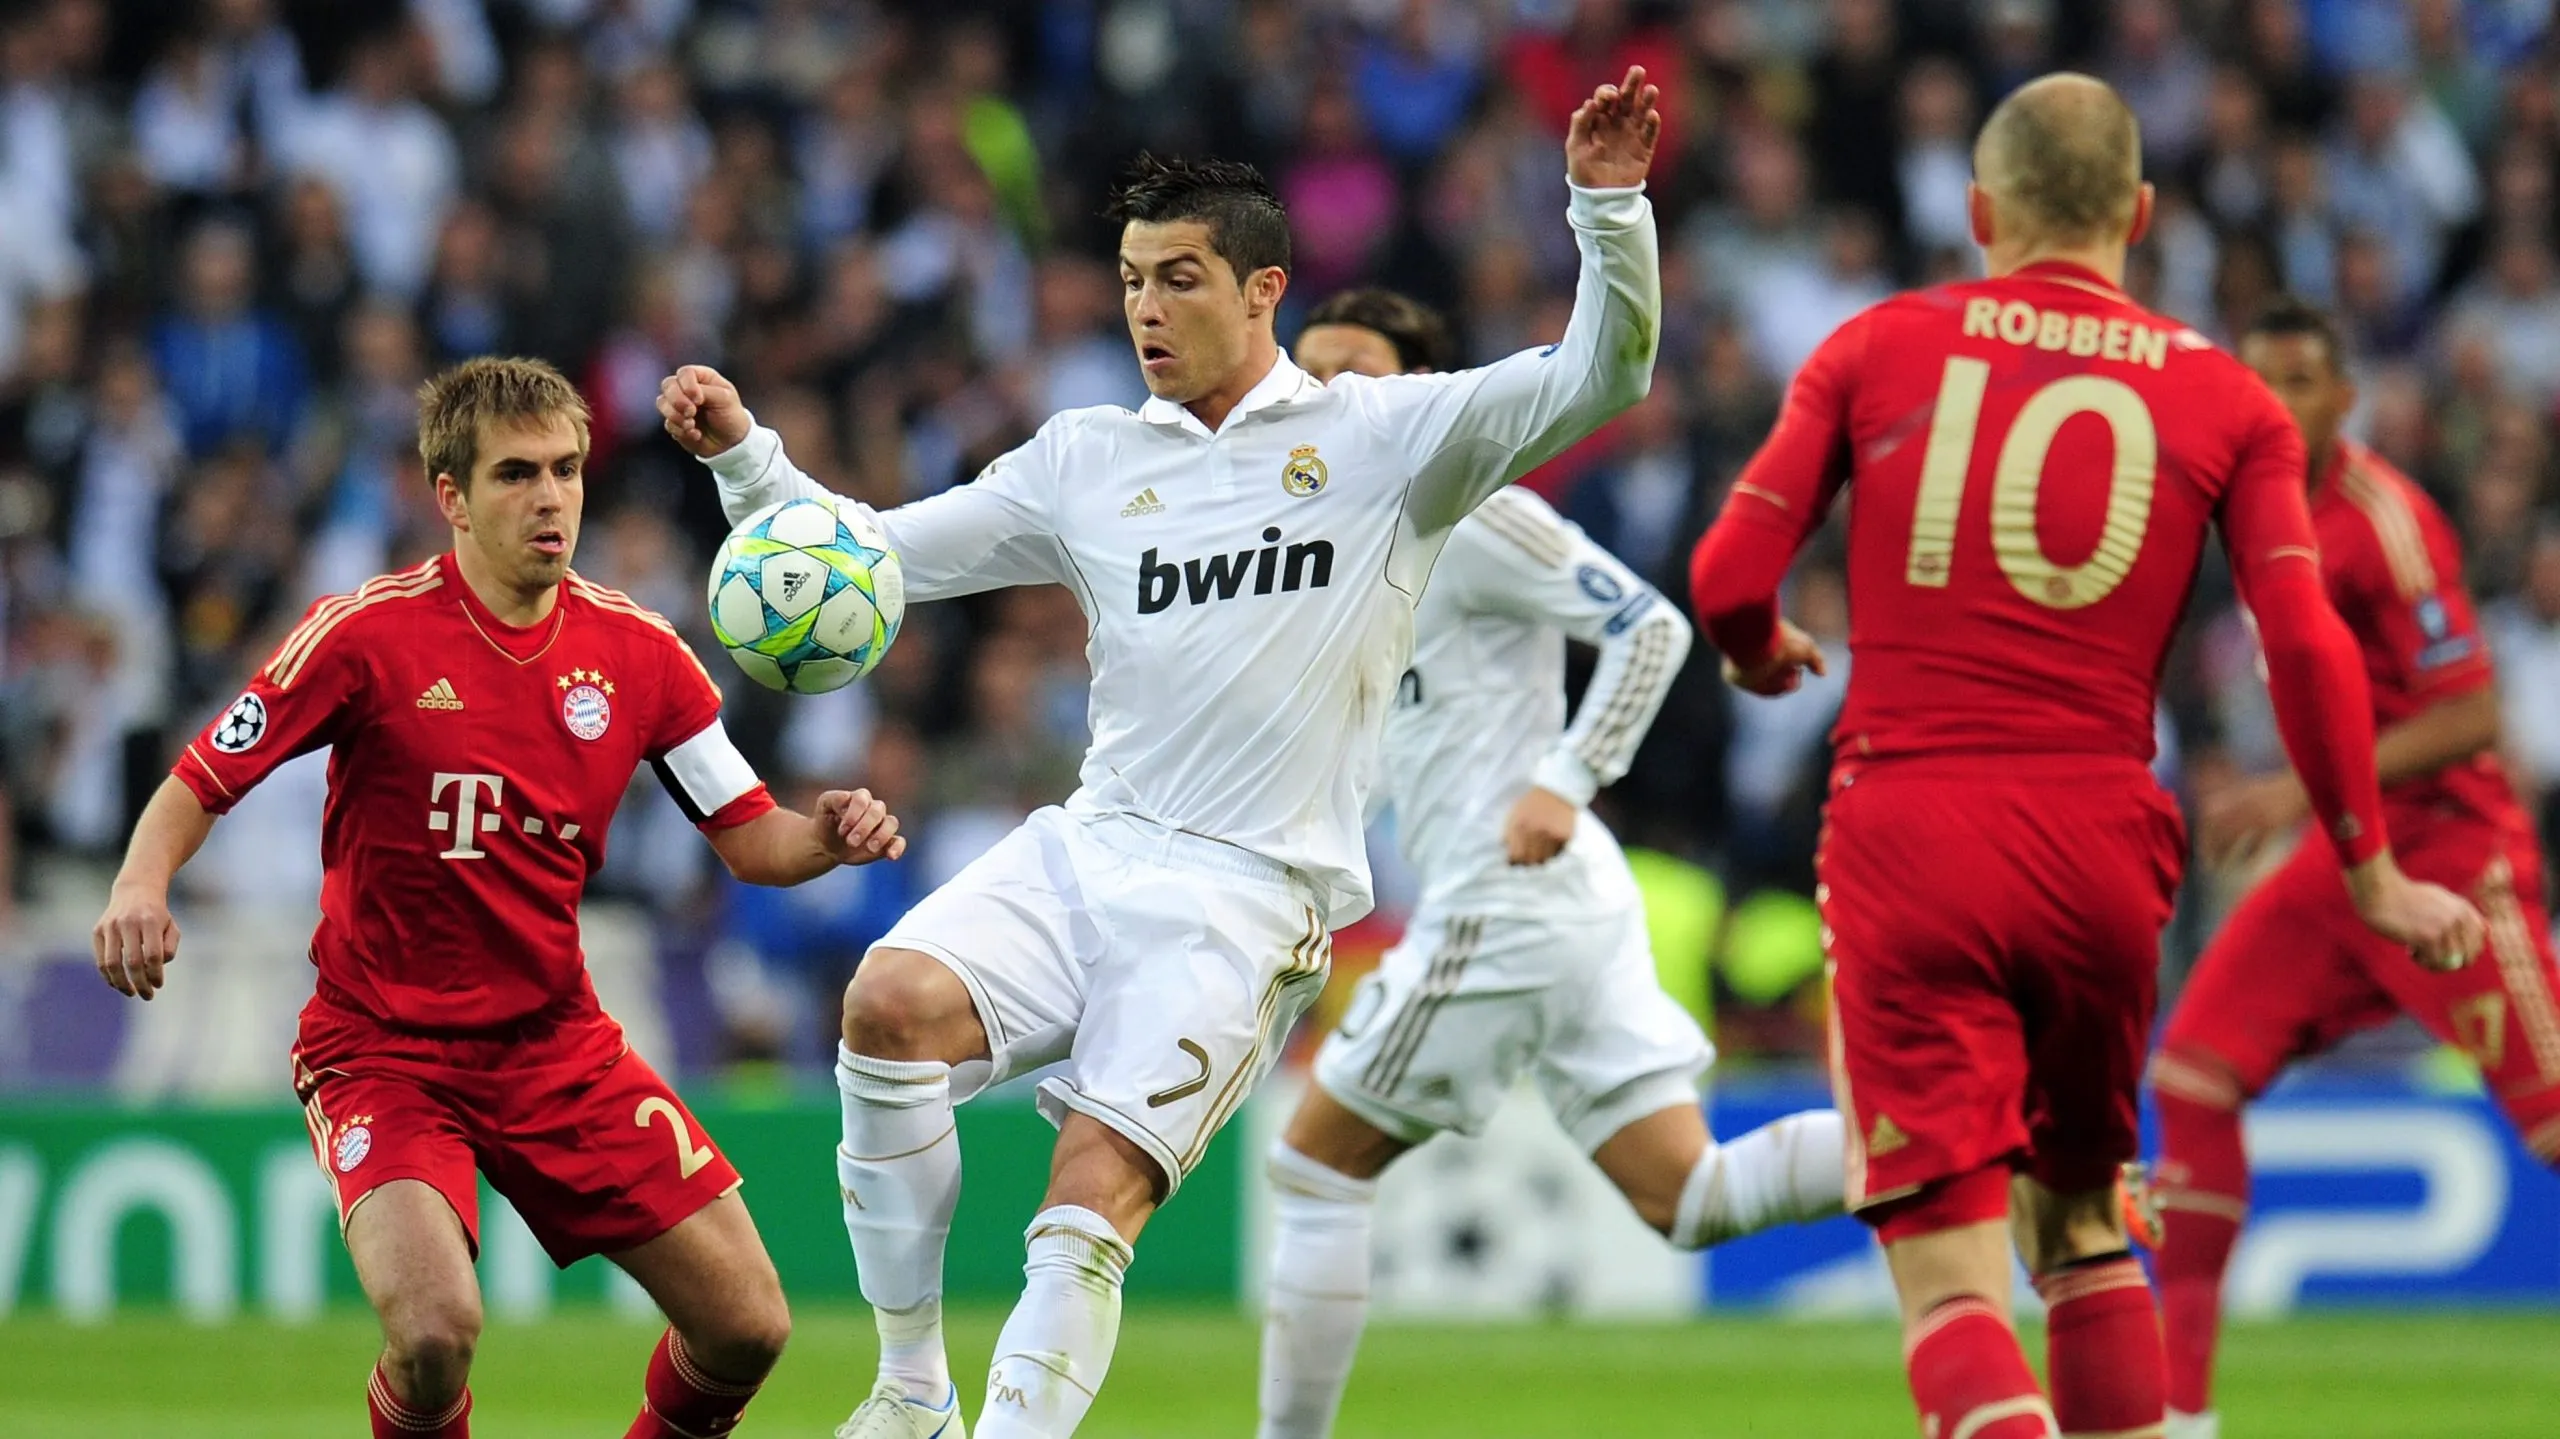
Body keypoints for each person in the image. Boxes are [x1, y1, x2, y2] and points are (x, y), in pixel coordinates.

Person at [658, 67, 1664, 1439]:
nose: (1145, 307)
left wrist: (1606, 209)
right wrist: (748, 463)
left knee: (1088, 1197)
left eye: (1179, 279)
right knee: (886, 1003)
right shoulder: (1084, 458)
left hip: (1248, 894)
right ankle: (909, 1386)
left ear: (1264, 291)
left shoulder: (1387, 439)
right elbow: (871, 557)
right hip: (1093, 845)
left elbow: (1604, 372)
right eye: (1132, 279)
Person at [1688, 75, 2484, 1439]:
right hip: (2104, 846)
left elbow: (1726, 575)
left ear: (1979, 210)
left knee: (1953, 1285)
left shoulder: (1877, 345)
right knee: (2080, 1226)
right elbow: (2306, 643)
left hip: (1914, 828)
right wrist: (2370, 869)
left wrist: (1757, 646)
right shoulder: (2228, 396)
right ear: (2143, 213)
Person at [90, 358, 907, 1439]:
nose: (550, 497)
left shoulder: (640, 654)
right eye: (516, 473)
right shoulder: (365, 634)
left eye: (566, 469)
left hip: (553, 1043)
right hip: (383, 1048)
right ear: (454, 496)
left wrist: (826, 837)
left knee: (747, 1324)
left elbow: (753, 838)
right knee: (435, 1332)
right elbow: (204, 773)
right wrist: (140, 882)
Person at [1258, 288, 1844, 1439]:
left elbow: (1649, 627)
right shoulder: (1342, 557)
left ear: (1423, 393)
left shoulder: (1470, 510)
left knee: (1314, 1164)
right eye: (1308, 372)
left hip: (1510, 893)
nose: (1326, 394)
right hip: (1558, 902)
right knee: (1690, 1194)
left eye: (1355, 369)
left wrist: (1565, 779)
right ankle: (1985, 1141)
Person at [2142, 297, 2560, 1439]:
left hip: (2453, 854)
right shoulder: (2243, 502)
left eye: (2298, 384)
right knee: (2193, 1075)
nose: (2275, 405)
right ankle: (2180, 1416)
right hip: (2348, 860)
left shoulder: (2387, 519)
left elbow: (2471, 712)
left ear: (2345, 398)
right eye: (2257, 383)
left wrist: (2291, 792)